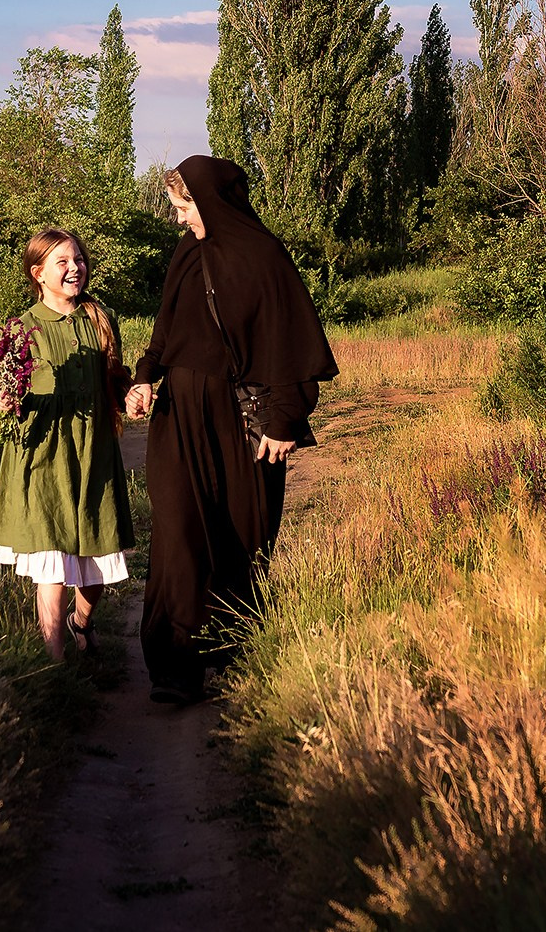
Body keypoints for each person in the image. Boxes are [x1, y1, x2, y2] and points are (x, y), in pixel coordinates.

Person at [125, 155, 337, 703]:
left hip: (243, 421)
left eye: (182, 208)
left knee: (244, 533)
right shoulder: (186, 254)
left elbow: (288, 340)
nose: (178, 220)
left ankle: (234, 652)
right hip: (180, 417)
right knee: (177, 531)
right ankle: (175, 668)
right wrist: (145, 378)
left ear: (209, 202)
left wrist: (285, 418)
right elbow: (165, 331)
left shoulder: (263, 256)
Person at [0, 228, 135, 661]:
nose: (74, 268)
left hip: (94, 453)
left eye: (79, 259)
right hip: (43, 458)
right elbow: (1, 397)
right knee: (51, 562)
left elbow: (115, 379)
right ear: (39, 273)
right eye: (62, 262)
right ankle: (55, 662)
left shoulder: (100, 319)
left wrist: (132, 395)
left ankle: (80, 622)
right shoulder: (21, 330)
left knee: (99, 564)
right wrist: (0, 401)